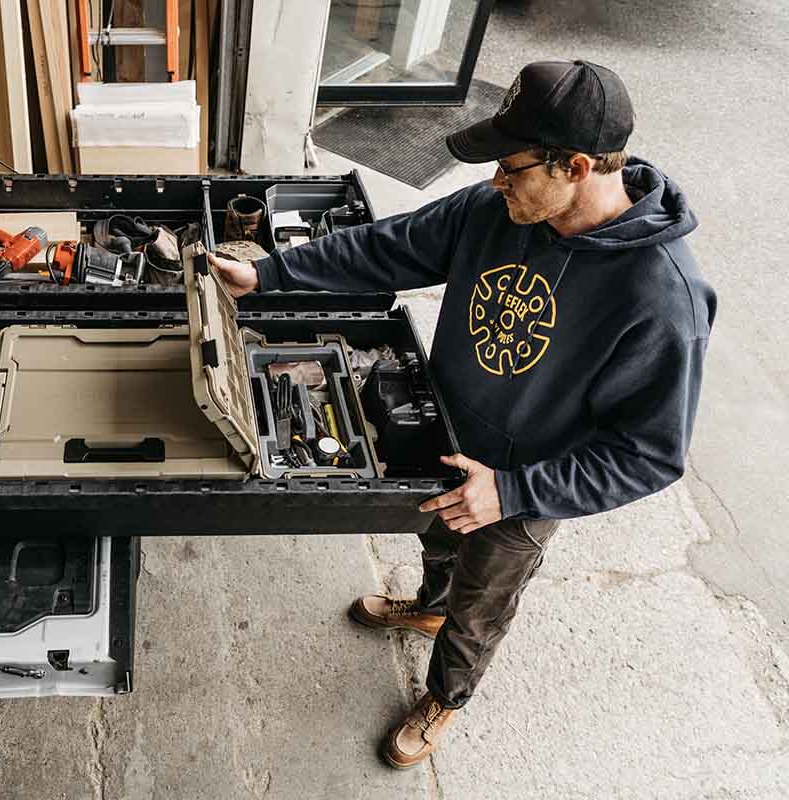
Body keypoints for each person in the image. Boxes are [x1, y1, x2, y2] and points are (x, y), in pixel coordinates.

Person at [208, 60, 717, 769]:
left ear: (575, 166)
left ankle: (446, 696)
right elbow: (391, 247)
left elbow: (650, 453)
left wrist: (512, 490)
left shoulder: (663, 300)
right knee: (438, 546)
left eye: (511, 166)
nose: (495, 181)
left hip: (523, 484)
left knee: (482, 606)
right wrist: (270, 273)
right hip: (446, 435)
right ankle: (427, 604)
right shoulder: (496, 210)